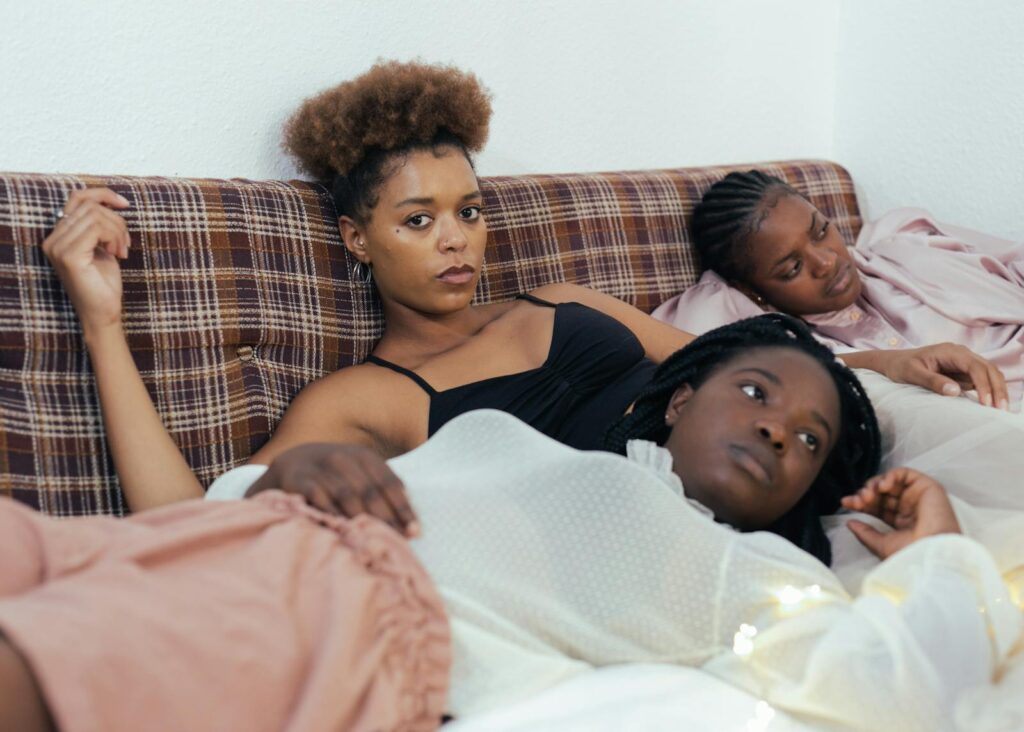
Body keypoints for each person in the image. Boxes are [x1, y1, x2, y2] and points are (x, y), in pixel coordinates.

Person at [39, 62, 1010, 530]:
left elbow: (722, 374)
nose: (456, 239)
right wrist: (101, 321)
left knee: (980, 442)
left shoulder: (559, 298)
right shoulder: (362, 397)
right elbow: (193, 514)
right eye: (418, 221)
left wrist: (876, 365)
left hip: (778, 463)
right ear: (355, 239)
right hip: (644, 539)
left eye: (466, 210)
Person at [2, 316, 1019, 732]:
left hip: (346, 608)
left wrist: (937, 551)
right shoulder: (514, 441)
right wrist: (284, 472)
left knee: (39, 664)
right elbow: (230, 495)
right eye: (756, 390)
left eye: (805, 442)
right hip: (213, 539)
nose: (774, 430)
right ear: (677, 398)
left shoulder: (734, 569)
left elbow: (891, 675)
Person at [653, 169, 1022, 409]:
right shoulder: (786, 344)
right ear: (752, 291)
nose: (827, 261)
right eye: (792, 267)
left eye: (821, 231)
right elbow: (687, 348)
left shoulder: (908, 245)